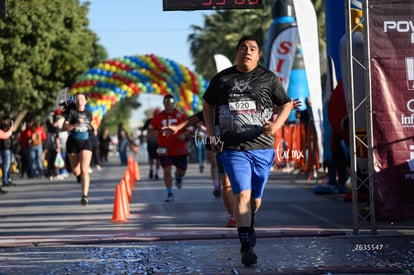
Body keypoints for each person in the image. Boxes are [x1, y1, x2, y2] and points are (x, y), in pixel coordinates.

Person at [203, 36, 293, 266]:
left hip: (262, 147)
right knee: (241, 194)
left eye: (252, 48)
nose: (248, 51)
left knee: (254, 200)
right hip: (232, 147)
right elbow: (207, 104)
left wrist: (276, 125)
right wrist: (213, 134)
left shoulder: (268, 78)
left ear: (258, 55)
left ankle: (248, 223)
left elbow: (286, 104)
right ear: (236, 52)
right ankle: (246, 247)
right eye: (243, 48)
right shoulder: (222, 79)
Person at [162, 111, 236, 226]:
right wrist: (177, 127)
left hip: (245, 146)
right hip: (218, 143)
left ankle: (248, 211)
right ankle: (233, 215)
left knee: (248, 188)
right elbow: (197, 117)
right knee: (223, 179)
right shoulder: (217, 101)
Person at [150, 94, 188, 202]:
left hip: (179, 148)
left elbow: (190, 130)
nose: (168, 107)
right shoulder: (158, 117)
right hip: (164, 148)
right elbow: (151, 130)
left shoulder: (181, 116)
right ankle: (170, 192)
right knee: (167, 170)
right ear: (163, 104)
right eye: (166, 105)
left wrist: (184, 136)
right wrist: (158, 132)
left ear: (174, 104)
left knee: (182, 171)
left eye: (170, 105)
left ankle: (178, 176)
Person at [62, 93, 95, 206]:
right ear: (75, 102)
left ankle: (84, 196)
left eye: (82, 99)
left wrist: (93, 128)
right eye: (77, 99)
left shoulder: (89, 113)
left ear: (85, 101)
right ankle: (80, 177)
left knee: (84, 170)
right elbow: (64, 127)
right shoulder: (71, 113)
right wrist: (75, 124)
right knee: (76, 172)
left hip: (86, 143)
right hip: (73, 143)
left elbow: (90, 124)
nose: (80, 101)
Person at [142, 109, 161, 180]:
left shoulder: (149, 121)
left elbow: (143, 129)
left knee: (152, 157)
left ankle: (152, 169)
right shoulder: (161, 121)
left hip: (152, 142)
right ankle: (156, 172)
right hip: (159, 142)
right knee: (158, 158)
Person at [0, 116, 15, 194]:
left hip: (6, 148)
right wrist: (11, 130)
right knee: (5, 165)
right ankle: (5, 180)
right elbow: (5, 135)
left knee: (5, 165)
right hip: (4, 149)